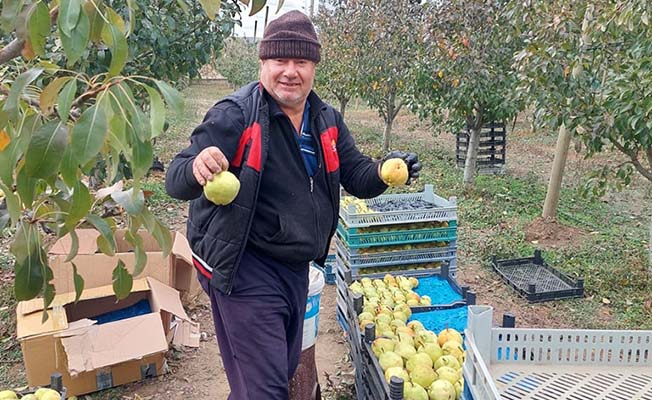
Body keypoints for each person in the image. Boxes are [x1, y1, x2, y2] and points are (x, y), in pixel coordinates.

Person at [165, 10, 420, 400]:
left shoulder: (325, 119)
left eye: (300, 61)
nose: (289, 71)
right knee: (266, 388)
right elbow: (175, 178)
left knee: (277, 371)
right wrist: (198, 167)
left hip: (295, 263)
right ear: (263, 63)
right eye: (279, 60)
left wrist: (385, 169)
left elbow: (357, 176)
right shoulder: (236, 114)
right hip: (244, 263)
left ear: (313, 67)